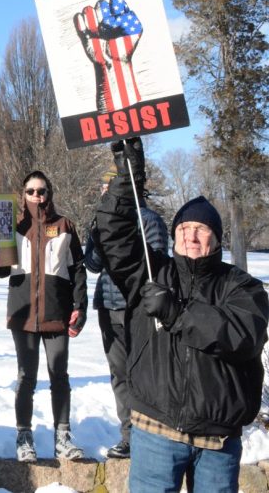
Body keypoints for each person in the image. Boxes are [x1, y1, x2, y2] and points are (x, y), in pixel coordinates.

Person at [95, 137, 269, 492]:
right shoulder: (151, 274)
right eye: (183, 229)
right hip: (156, 431)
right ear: (173, 235)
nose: (191, 236)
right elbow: (112, 232)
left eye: (201, 229)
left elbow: (242, 335)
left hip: (217, 441)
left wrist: (178, 313)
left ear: (216, 239)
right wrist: (128, 177)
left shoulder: (241, 286)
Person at [0, 170, 87, 462]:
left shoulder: (65, 226)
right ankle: (23, 436)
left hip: (57, 313)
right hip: (23, 313)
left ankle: (63, 437)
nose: (37, 196)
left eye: (42, 191)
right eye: (31, 191)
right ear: (23, 194)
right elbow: (0, 266)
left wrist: (81, 306)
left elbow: (78, 269)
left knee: (59, 376)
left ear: (49, 193)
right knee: (26, 377)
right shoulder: (8, 224)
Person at [84, 169, 168, 459]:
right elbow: (92, 265)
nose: (106, 191)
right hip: (108, 306)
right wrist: (97, 237)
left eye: (111, 186)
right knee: (119, 374)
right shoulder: (102, 221)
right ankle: (129, 436)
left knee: (143, 373)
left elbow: (157, 266)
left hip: (138, 308)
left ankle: (151, 436)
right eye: (104, 187)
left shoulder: (149, 220)